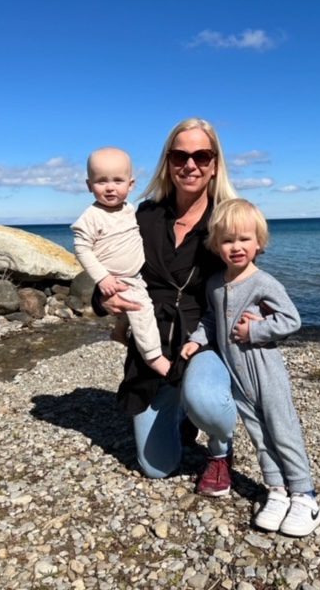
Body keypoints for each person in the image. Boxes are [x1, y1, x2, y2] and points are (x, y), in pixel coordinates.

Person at [91, 118, 238, 495]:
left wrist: (259, 313)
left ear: (215, 163)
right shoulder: (143, 215)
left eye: (201, 156)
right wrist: (104, 299)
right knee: (158, 468)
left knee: (206, 399)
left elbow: (247, 275)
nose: (190, 165)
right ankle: (180, 410)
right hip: (152, 344)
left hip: (203, 340)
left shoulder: (226, 218)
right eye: (180, 155)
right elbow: (108, 265)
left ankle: (219, 451)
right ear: (167, 162)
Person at [181, 198, 320, 536]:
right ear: (216, 245)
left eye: (244, 239)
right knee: (259, 435)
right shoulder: (215, 283)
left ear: (259, 242)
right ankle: (276, 490)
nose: (236, 247)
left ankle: (304, 496)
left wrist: (254, 330)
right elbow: (212, 319)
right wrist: (198, 339)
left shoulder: (264, 283)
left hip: (265, 371)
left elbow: (291, 320)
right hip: (236, 376)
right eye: (228, 240)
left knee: (282, 430)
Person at [72, 147, 170, 376]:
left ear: (131, 184)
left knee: (131, 311)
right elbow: (82, 248)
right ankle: (154, 356)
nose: (110, 187)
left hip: (136, 275)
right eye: (101, 181)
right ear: (89, 185)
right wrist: (102, 278)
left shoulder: (129, 209)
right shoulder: (91, 216)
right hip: (119, 279)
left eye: (118, 180)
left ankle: (119, 332)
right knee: (142, 310)